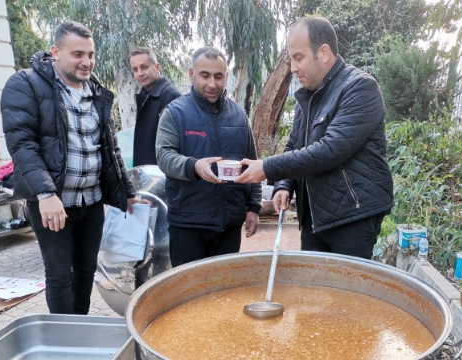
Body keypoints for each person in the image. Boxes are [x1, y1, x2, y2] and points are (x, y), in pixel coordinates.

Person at [1, 21, 148, 314]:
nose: (87, 62)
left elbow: (110, 148)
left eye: (91, 54)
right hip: (52, 203)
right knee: (59, 277)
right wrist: (45, 194)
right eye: (77, 54)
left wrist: (127, 192)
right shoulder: (25, 84)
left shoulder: (96, 92)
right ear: (56, 51)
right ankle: (61, 341)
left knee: (85, 272)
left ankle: (79, 330)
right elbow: (22, 145)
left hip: (91, 202)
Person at [236, 16, 394, 259]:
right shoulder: (308, 96)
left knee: (346, 292)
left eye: (298, 58)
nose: (293, 68)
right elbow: (294, 145)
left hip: (352, 218)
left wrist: (268, 167)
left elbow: (330, 150)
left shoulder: (360, 87)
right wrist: (284, 185)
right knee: (315, 291)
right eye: (291, 59)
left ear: (324, 53)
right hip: (314, 217)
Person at [156, 46, 261, 267]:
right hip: (188, 225)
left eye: (218, 76)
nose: (212, 84)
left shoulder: (239, 115)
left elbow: (253, 163)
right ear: (192, 74)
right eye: (205, 75)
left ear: (226, 78)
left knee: (222, 296)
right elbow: (164, 156)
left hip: (230, 226)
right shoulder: (174, 112)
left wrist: (253, 208)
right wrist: (193, 166)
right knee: (189, 297)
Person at [129, 47, 181, 166]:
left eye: (144, 67)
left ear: (157, 67)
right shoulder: (145, 94)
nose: (140, 73)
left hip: (161, 175)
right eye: (135, 69)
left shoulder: (172, 96)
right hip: (145, 174)